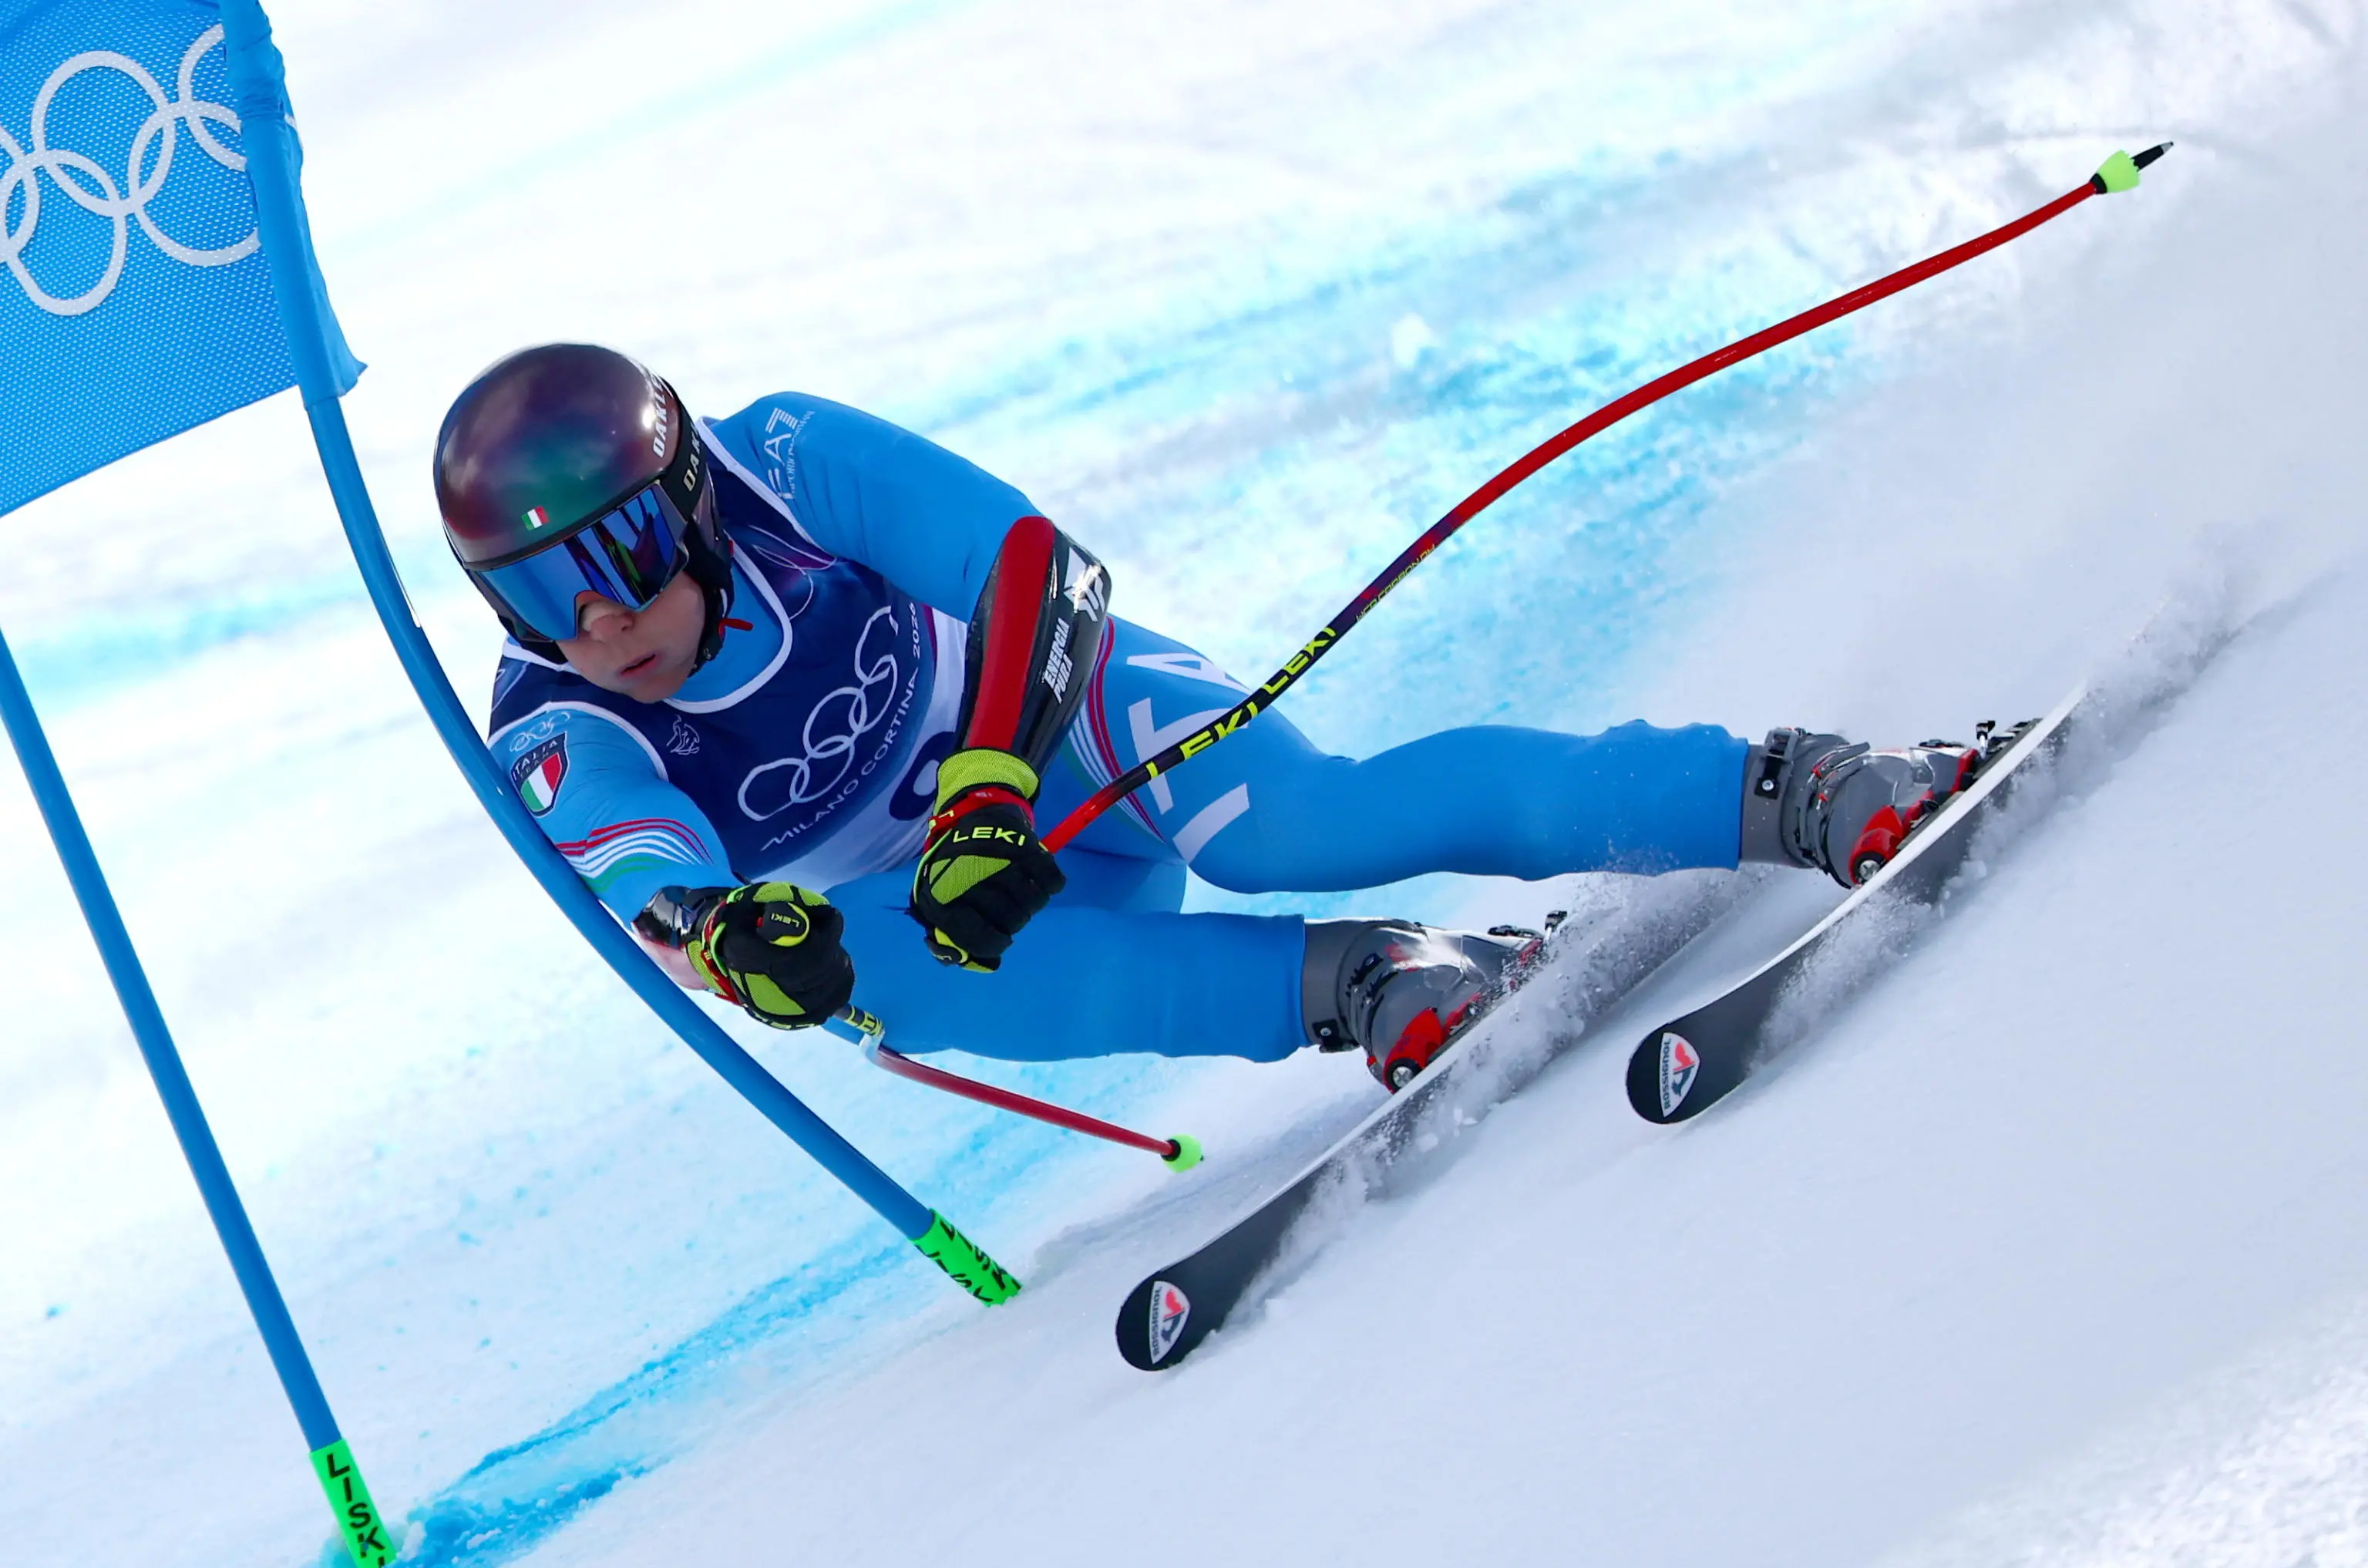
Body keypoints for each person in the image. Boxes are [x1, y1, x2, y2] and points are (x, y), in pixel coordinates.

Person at [433, 344, 1980, 1090]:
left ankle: (1795, 786)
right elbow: (644, 886)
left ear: (690, 505)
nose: (598, 624)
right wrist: (733, 941)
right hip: (979, 903)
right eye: (537, 594)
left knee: (1296, 826)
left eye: (618, 558)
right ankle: (1371, 978)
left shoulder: (781, 461)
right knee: (874, 992)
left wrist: (989, 783)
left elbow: (1033, 566)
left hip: (1065, 739)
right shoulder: (557, 720)